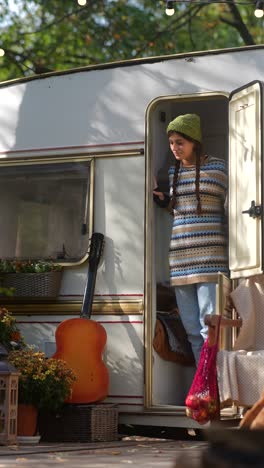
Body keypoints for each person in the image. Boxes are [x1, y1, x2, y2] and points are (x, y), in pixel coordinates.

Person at [153, 113, 228, 365]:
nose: (175, 148)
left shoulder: (218, 168)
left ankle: (214, 386)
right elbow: (179, 209)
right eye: (172, 142)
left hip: (211, 259)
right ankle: (202, 389)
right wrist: (160, 198)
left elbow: (235, 205)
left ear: (194, 141)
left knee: (209, 330)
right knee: (193, 332)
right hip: (181, 261)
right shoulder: (174, 172)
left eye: (180, 142)